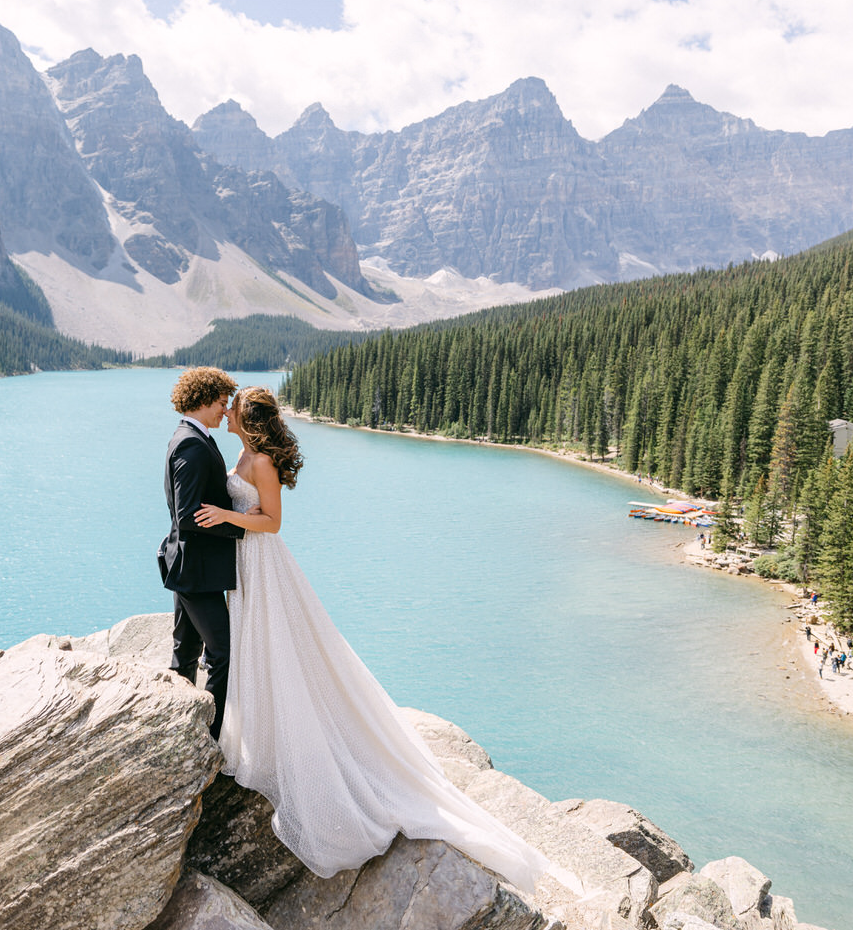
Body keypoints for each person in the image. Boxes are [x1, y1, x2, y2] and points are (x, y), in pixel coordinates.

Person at [192, 386, 578, 897]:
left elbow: (273, 521)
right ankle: (257, 734)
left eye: (234, 408)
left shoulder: (259, 460)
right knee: (254, 650)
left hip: (263, 563)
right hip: (245, 565)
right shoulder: (240, 451)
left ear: (249, 419)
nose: (227, 411)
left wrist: (226, 517)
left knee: (278, 648)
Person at [159, 367, 245, 739]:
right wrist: (241, 527)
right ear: (204, 400)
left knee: (186, 652)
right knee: (225, 654)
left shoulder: (193, 437)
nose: (225, 411)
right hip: (198, 570)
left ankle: (179, 729)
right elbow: (188, 513)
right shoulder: (192, 443)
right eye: (222, 404)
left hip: (190, 565)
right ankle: (208, 737)